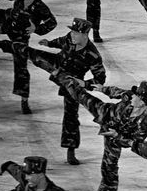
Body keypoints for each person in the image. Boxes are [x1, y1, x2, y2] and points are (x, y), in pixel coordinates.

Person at [52, 72, 147, 191]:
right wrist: (91, 86)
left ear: (143, 102)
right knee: (81, 96)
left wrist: (117, 136)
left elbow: (134, 143)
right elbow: (113, 91)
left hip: (116, 137)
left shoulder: (144, 124)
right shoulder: (128, 96)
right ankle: (64, 79)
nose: (132, 96)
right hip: (106, 113)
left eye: (137, 95)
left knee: (109, 167)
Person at [26, 17, 106, 166]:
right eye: (72, 32)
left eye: (76, 33)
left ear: (85, 35)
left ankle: (71, 150)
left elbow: (100, 80)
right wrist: (48, 43)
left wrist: (84, 83)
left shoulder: (92, 55)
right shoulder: (70, 38)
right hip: (57, 64)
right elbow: (61, 41)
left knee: (70, 115)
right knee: (27, 52)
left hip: (71, 81)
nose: (72, 35)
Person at [0, 0, 56, 114]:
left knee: (21, 66)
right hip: (7, 20)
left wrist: (36, 29)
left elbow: (52, 23)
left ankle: (24, 100)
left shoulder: (39, 6)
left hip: (20, 35)